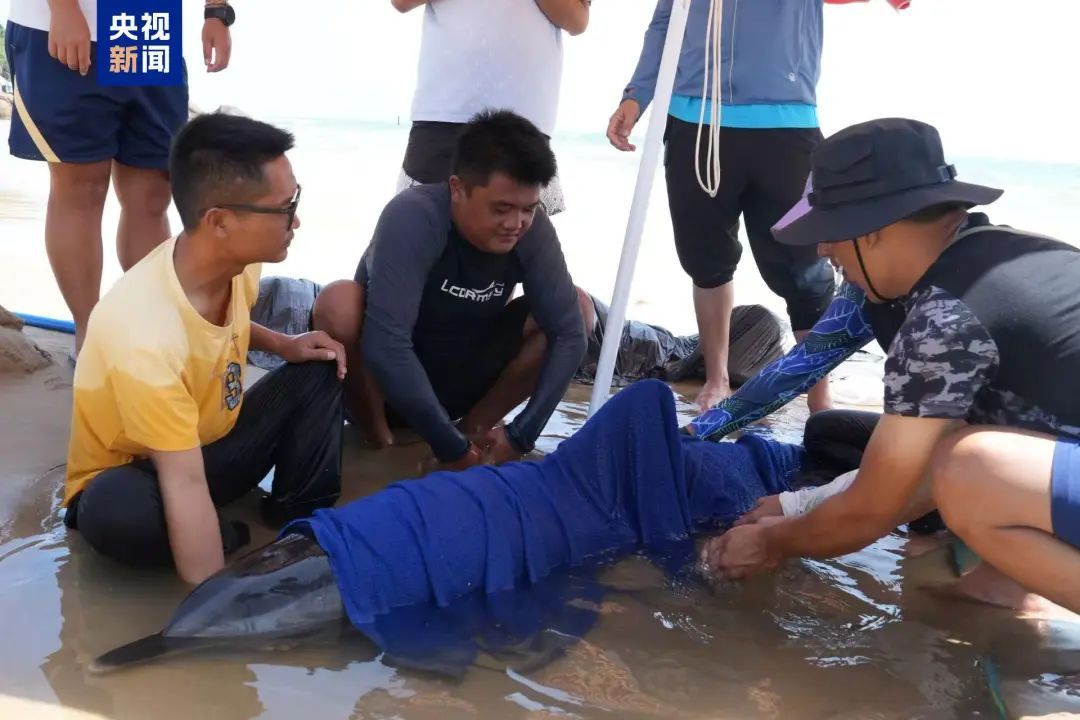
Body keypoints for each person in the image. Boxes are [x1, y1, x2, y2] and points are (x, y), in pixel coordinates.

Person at [697, 118, 1080, 615]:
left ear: (873, 230)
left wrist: (774, 543)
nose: (823, 249)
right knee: (957, 446)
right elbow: (922, 460)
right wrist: (795, 508)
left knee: (972, 469)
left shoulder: (943, 317)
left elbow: (876, 505)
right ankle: (1002, 589)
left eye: (831, 231)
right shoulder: (1002, 257)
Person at [62, 112, 348, 585]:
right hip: (142, 474)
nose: (296, 219)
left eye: (294, 199)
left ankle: (299, 526)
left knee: (323, 364)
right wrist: (219, 608)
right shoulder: (143, 333)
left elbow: (221, 326)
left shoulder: (241, 262)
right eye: (283, 207)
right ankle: (226, 538)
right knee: (115, 511)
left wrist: (285, 344)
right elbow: (183, 479)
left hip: (208, 445)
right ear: (219, 221)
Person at [606, 1, 906, 413]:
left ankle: (821, 402)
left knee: (805, 270)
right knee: (706, 260)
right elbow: (665, 24)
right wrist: (636, 95)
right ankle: (717, 379)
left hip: (785, 122)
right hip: (696, 120)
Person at [313, 110, 591, 471]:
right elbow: (386, 343)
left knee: (580, 307)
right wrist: (450, 448)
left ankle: (475, 429)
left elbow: (570, 333)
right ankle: (379, 438)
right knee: (338, 301)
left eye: (528, 209)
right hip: (385, 382)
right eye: (502, 208)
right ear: (458, 188)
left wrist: (522, 435)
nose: (515, 224)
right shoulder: (413, 217)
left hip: (465, 373)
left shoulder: (531, 229)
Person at [4, 0, 235, 355]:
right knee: (82, 189)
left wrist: (216, 10)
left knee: (153, 196)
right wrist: (63, 9)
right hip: (62, 22)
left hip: (145, 26)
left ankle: (147, 330)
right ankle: (89, 336)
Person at [390, 0, 590, 216]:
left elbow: (576, 21)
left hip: (524, 121)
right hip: (446, 113)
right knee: (419, 232)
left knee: (515, 239)